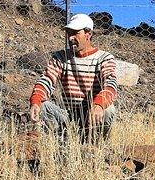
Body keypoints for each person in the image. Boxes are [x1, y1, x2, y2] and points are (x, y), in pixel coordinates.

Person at [29, 13, 118, 141]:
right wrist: (36, 101)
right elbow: (47, 79)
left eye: (75, 33)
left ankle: (97, 146)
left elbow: (110, 85)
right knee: (42, 106)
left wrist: (99, 105)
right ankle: (59, 142)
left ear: (88, 34)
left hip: (92, 115)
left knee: (108, 110)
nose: (70, 38)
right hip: (68, 116)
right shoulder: (60, 57)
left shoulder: (104, 58)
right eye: (69, 33)